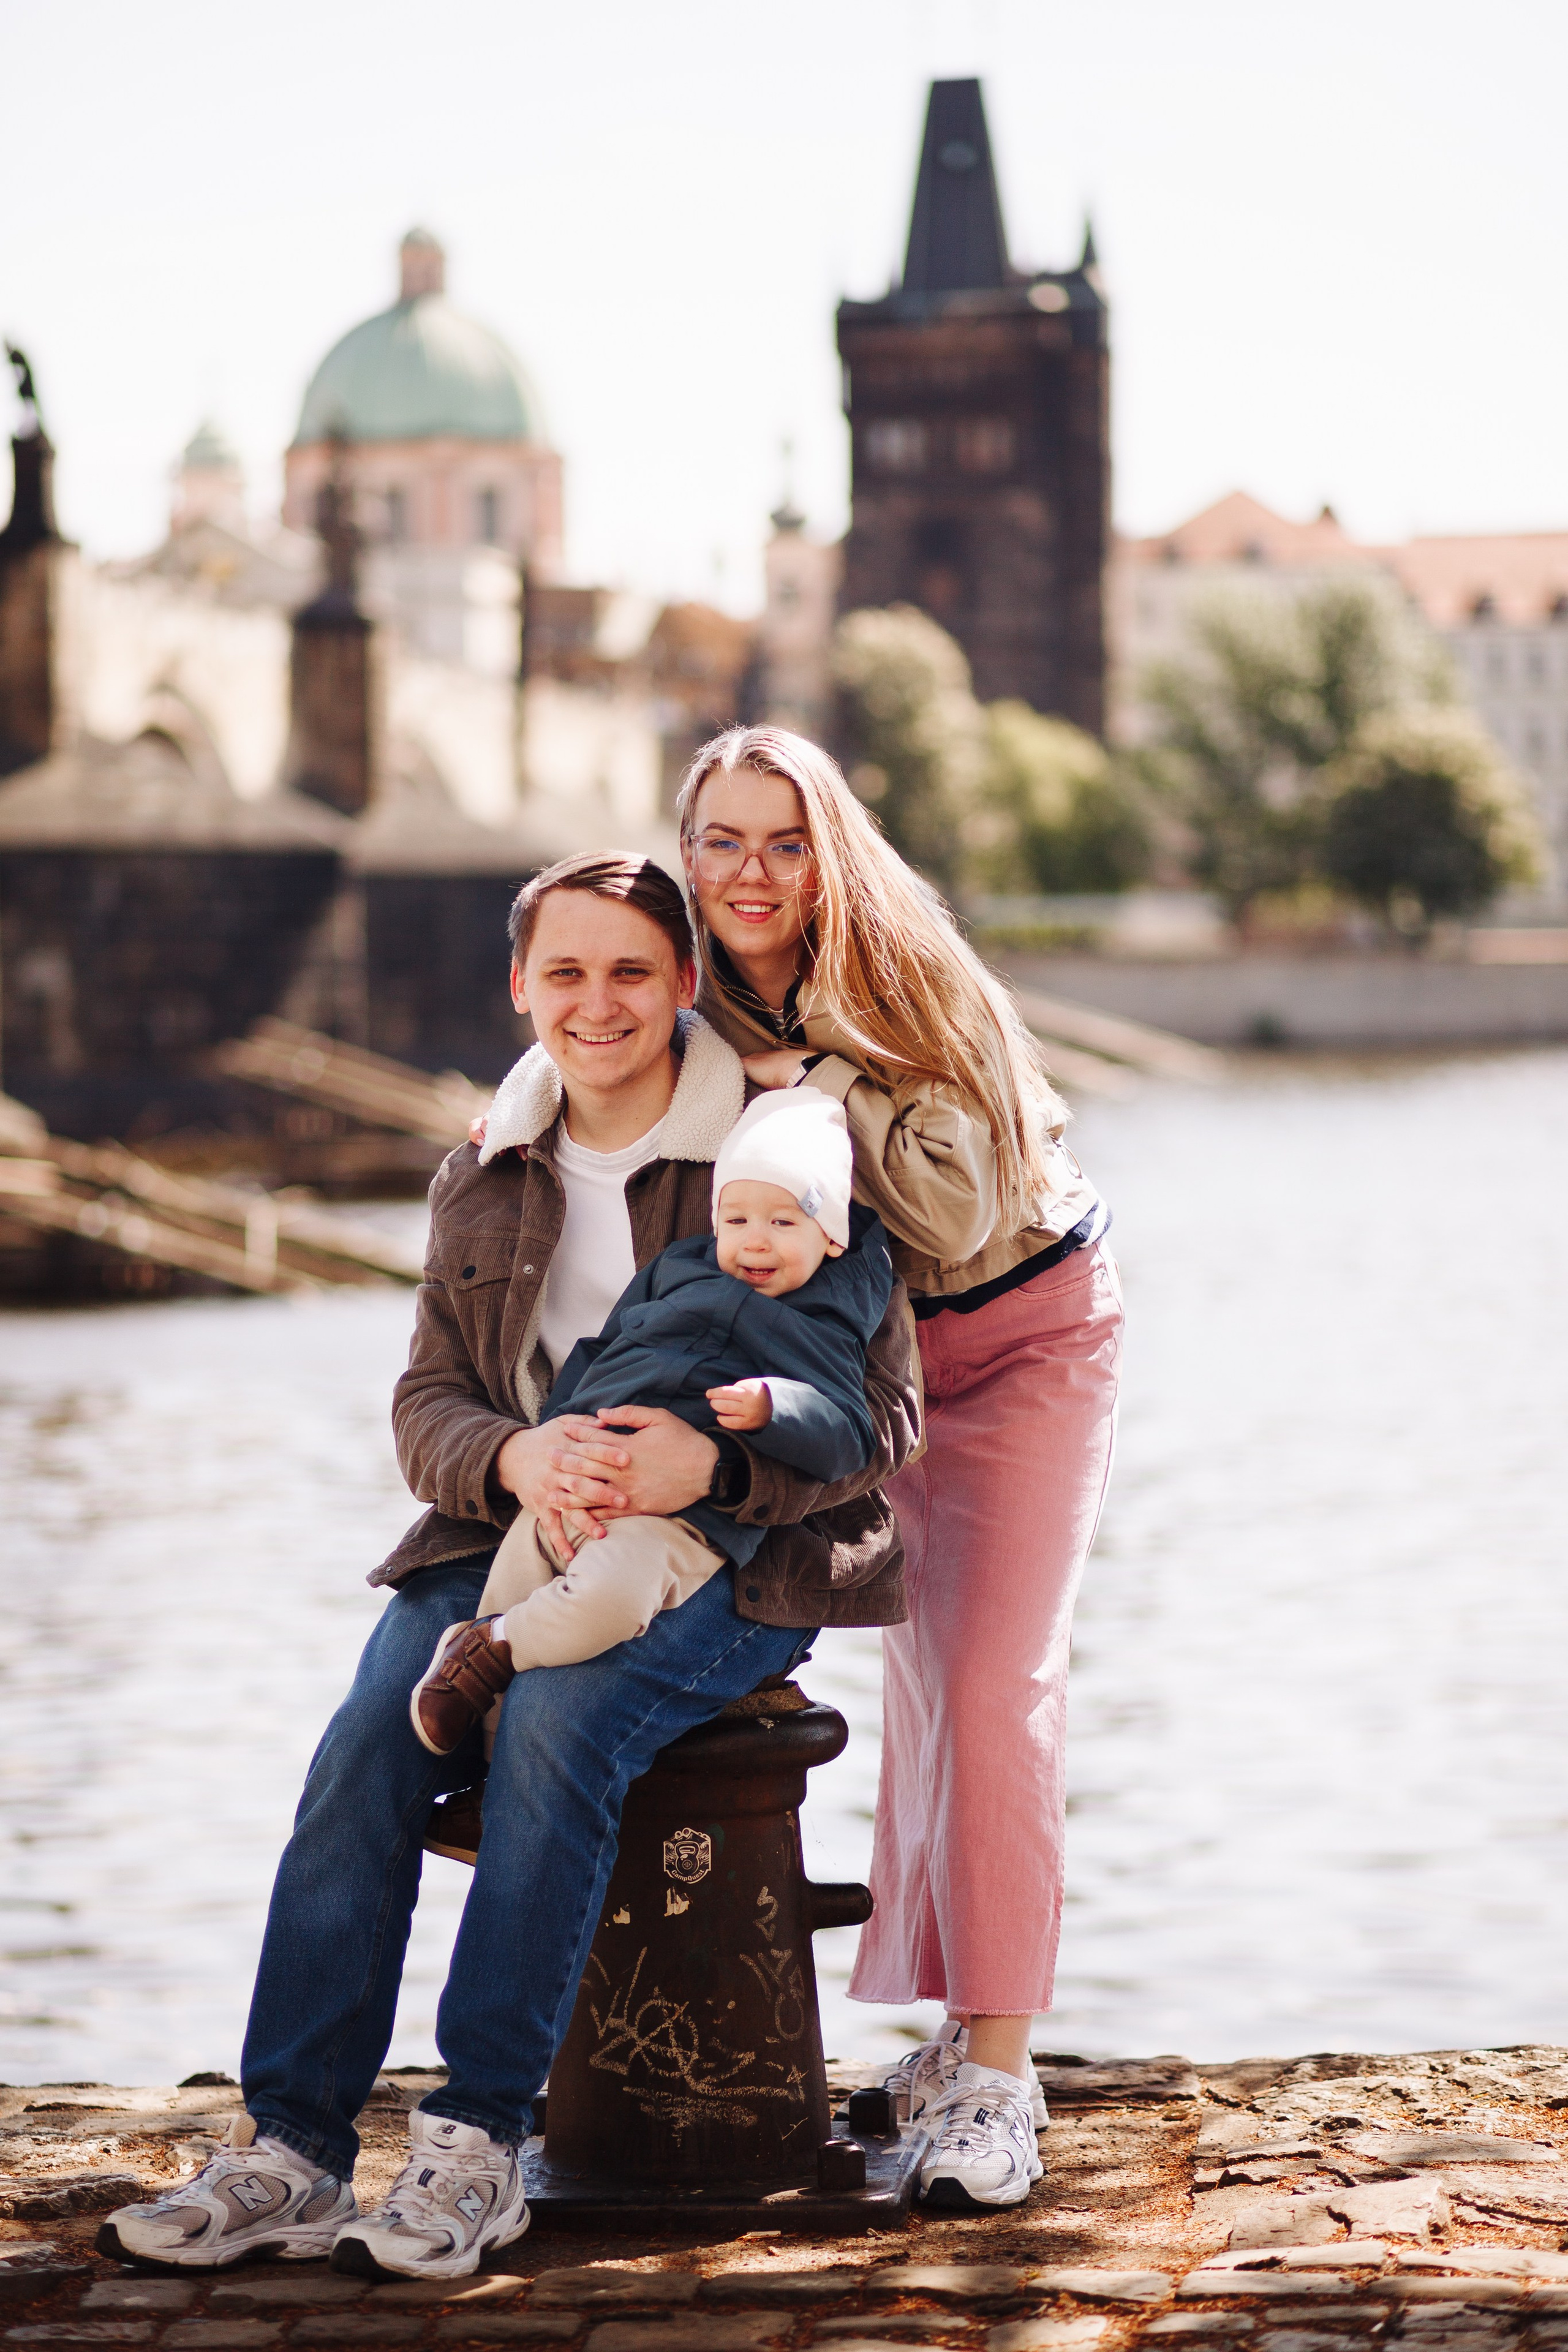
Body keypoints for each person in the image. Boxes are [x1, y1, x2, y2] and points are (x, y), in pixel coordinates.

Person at [99, 852, 920, 2282]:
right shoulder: (484, 1168)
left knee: (552, 1723)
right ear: (519, 987)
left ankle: (476, 2141)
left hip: (723, 1553)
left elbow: (885, 1416)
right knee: (364, 1741)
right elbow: (424, 1408)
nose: (594, 1002)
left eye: (627, 972)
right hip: (506, 1534)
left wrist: (712, 1464)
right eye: (564, 972)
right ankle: (291, 2146)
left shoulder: (787, 1151)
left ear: (678, 985)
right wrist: (516, 1460)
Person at [679, 727, 1123, 2214]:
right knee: (926, 1693)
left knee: (1000, 1684)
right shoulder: (696, 994)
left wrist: (812, 1085)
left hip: (1023, 1337)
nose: (751, 871)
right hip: (874, 1379)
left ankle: (999, 2077)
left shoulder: (905, 974)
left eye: (782, 840)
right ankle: (947, 2036)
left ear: (830, 851)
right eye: (723, 840)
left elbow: (951, 1206)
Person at [407, 1085, 895, 1751]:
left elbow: (848, 1434)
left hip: (678, 1523)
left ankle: (490, 1645)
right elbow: (603, 1351)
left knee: (610, 1602)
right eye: (738, 1220)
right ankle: (487, 1735)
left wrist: (774, 1408)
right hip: (584, 1482)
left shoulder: (824, 1324)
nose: (756, 1243)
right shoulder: (675, 1273)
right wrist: (565, 1444)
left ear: (830, 1238)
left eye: (784, 1223)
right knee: (519, 1579)